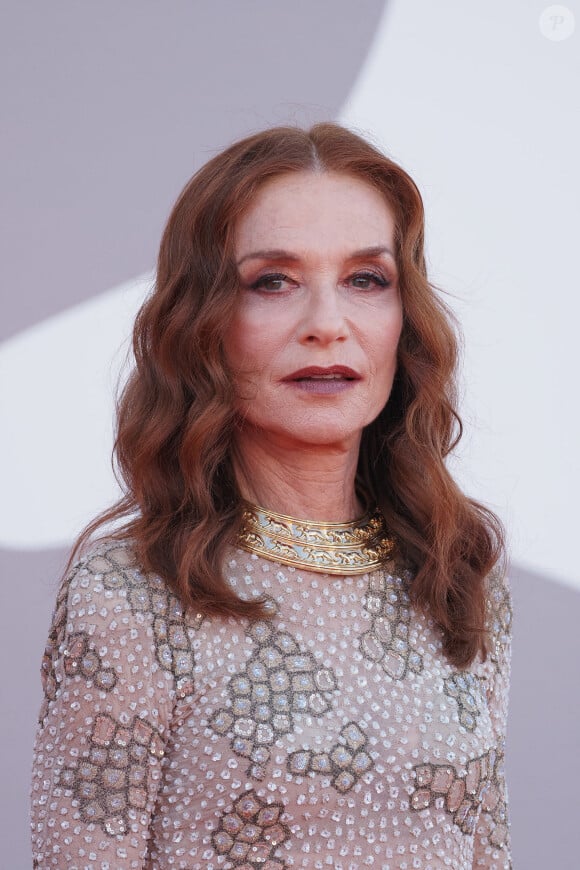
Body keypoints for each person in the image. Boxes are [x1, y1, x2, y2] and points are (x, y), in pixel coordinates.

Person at [30, 123, 512, 870]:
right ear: (205, 326)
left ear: (404, 317)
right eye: (272, 282)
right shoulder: (132, 592)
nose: (327, 326)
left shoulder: (458, 570)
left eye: (365, 280)